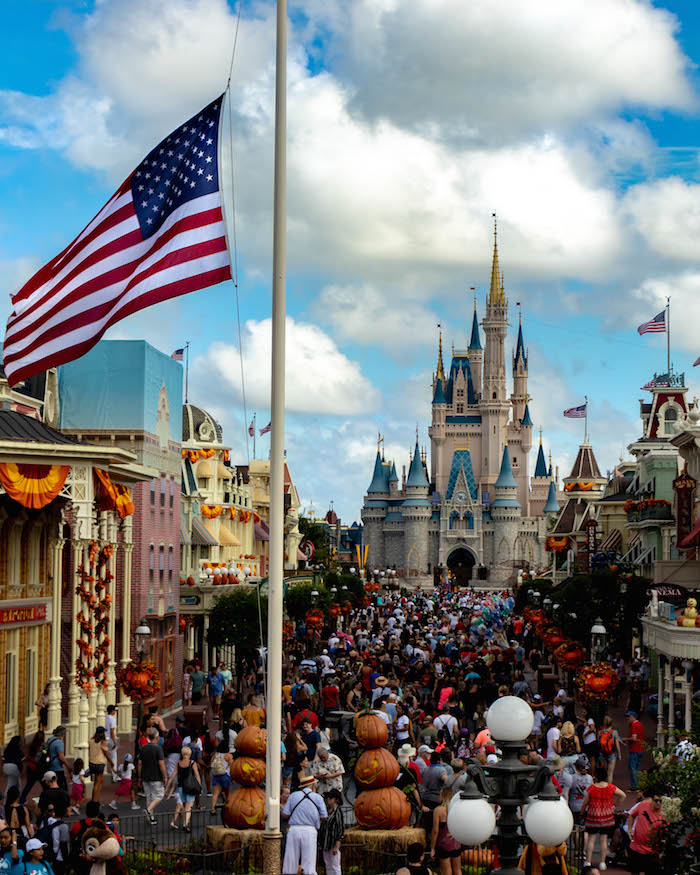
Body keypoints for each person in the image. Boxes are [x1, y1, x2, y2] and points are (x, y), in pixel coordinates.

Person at [580, 763, 626, 870]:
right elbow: (623, 795)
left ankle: (588, 861)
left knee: (592, 838)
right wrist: (614, 805)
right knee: (603, 839)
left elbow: (585, 803)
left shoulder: (591, 788)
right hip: (606, 816)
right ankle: (602, 863)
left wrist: (582, 812)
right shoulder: (610, 787)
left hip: (593, 816)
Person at [282, 774, 327, 875]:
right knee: (309, 861)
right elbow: (324, 816)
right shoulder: (318, 797)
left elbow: (285, 814)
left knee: (291, 860)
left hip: (294, 829)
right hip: (310, 830)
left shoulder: (293, 795)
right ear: (313, 786)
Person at [165, 745, 202, 832]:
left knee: (184, 806)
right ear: (189, 753)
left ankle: (183, 822)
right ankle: (185, 824)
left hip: (181, 787)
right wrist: (199, 786)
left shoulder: (178, 764)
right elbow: (197, 775)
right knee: (189, 807)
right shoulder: (192, 763)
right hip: (190, 787)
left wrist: (167, 787)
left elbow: (172, 776)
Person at [627, 790, 664, 875]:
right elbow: (632, 815)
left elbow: (664, 835)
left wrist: (661, 851)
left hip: (652, 851)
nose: (658, 803)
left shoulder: (664, 815)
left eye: (660, 801)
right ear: (652, 800)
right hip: (636, 848)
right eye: (656, 801)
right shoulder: (643, 805)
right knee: (634, 872)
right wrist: (630, 829)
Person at [137, 727, 167, 824]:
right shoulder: (158, 749)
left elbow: (140, 764)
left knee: (149, 797)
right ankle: (149, 811)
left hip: (145, 776)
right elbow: (161, 764)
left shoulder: (143, 748)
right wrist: (165, 776)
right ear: (157, 737)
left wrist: (139, 777)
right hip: (156, 777)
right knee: (159, 795)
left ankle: (150, 817)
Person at [430, 787, 462, 875]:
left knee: (447, 871)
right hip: (456, 844)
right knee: (458, 870)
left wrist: (432, 848)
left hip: (444, 844)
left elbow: (435, 831)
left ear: (442, 796)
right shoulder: (457, 809)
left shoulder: (438, 810)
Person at [318, 789, 344, 875]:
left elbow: (340, 829)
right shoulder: (327, 811)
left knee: (335, 866)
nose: (329, 799)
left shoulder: (338, 812)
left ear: (336, 799)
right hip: (325, 843)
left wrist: (336, 845)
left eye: (331, 797)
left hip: (333, 843)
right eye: (327, 797)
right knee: (328, 865)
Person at [209, 740, 233, 815]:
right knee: (228, 793)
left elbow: (211, 765)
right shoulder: (228, 755)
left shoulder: (215, 755)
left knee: (215, 793)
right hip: (225, 775)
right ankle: (228, 807)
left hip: (216, 776)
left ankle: (213, 809)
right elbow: (232, 766)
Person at [44, 728, 70, 792]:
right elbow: (61, 757)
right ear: (62, 734)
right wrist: (68, 766)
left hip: (49, 766)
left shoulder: (50, 739)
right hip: (57, 768)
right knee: (62, 787)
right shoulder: (60, 743)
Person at [88, 727, 110, 802]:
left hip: (92, 763)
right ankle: (94, 800)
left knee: (100, 782)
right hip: (99, 764)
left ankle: (96, 799)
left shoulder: (91, 741)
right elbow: (106, 753)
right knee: (97, 784)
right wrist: (112, 762)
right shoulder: (103, 742)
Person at [624, 712, 645, 791]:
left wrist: (625, 739)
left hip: (634, 749)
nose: (627, 719)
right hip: (641, 749)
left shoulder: (634, 725)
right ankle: (638, 784)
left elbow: (634, 738)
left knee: (633, 768)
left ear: (633, 717)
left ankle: (634, 785)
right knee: (638, 767)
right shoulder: (640, 724)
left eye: (629, 717)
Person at [597, 716, 621, 784]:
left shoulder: (600, 732)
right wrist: (619, 754)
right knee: (610, 773)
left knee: (602, 772)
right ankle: (609, 787)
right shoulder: (614, 732)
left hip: (602, 753)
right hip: (611, 753)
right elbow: (617, 744)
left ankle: (602, 786)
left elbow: (598, 743)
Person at [568, 756, 593, 821]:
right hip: (585, 807)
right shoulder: (590, 778)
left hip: (573, 806)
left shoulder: (572, 777)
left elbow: (568, 792)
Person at [104, 705, 118, 773]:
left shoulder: (104, 717)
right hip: (110, 739)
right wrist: (115, 741)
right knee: (113, 757)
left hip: (104, 739)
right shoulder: (112, 719)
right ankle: (114, 774)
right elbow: (112, 730)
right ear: (112, 711)